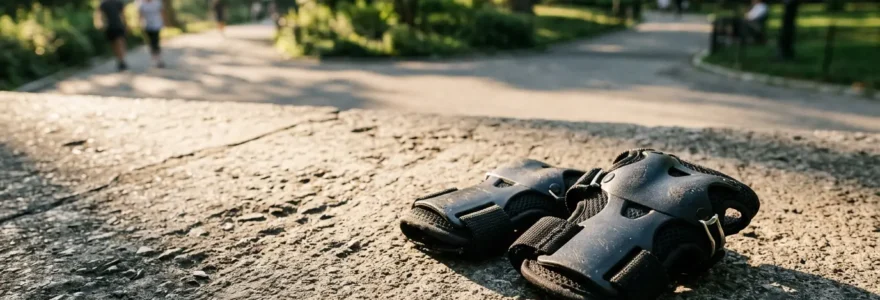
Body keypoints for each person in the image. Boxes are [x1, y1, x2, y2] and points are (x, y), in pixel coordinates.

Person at [96, 0, 128, 71]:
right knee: (113, 44)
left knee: (120, 43)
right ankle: (120, 60)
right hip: (109, 27)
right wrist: (99, 24)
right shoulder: (103, 4)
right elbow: (99, 14)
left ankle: (122, 60)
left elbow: (123, 14)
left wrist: (125, 25)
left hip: (119, 26)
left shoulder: (118, 3)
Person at [138, 0, 166, 68]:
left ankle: (158, 59)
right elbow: (140, 14)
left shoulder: (157, 2)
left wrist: (164, 22)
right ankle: (154, 58)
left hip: (157, 24)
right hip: (147, 25)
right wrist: (140, 24)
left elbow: (162, 12)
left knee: (156, 41)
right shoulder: (140, 3)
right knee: (151, 42)